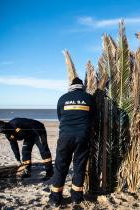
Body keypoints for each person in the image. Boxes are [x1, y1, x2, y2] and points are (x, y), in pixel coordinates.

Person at [48, 77, 96, 207]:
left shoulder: (63, 98)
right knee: (79, 167)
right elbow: (93, 117)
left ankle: (54, 198)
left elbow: (60, 117)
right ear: (82, 86)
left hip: (65, 137)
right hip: (82, 137)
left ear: (71, 86)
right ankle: (76, 198)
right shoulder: (89, 98)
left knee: (60, 166)